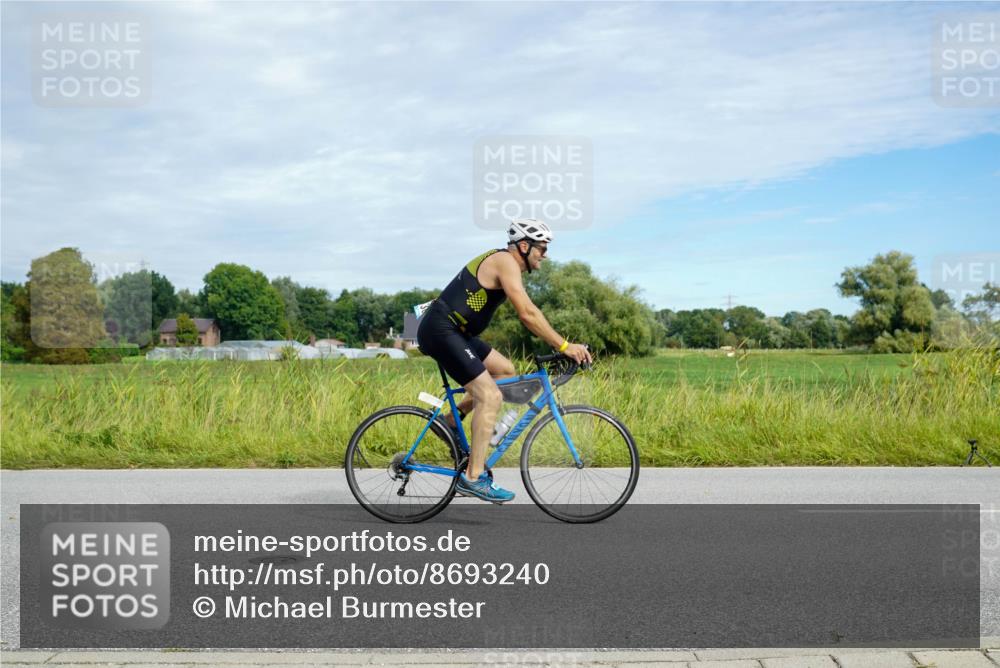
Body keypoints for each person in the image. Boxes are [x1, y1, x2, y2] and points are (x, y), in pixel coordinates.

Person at [416, 219, 592, 503]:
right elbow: (527, 313)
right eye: (542, 248)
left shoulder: (508, 264)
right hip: (442, 329)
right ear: (523, 246)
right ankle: (473, 478)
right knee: (491, 396)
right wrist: (564, 345)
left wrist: (561, 345)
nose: (545, 255)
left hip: (457, 332)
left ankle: (451, 420)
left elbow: (530, 313)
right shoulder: (505, 261)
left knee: (505, 371)